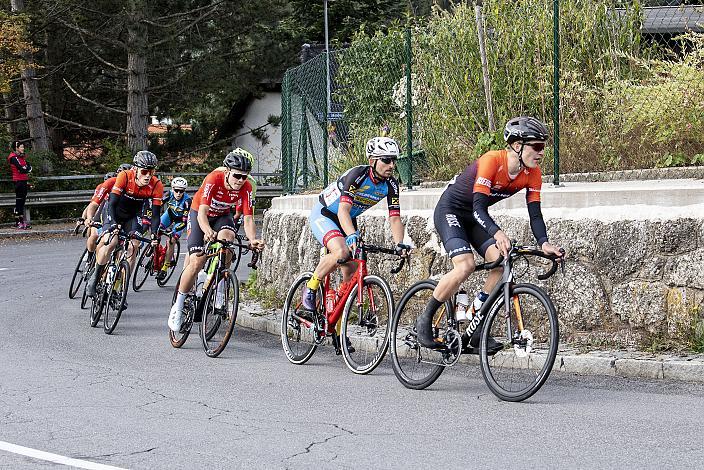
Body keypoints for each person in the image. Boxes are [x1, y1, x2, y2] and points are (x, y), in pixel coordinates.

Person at [415, 116, 565, 353]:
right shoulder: (492, 161)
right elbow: (478, 207)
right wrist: (498, 232)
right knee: (465, 266)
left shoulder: (533, 174)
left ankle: (475, 324)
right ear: (518, 145)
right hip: (452, 211)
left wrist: (544, 243)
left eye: (543, 147)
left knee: (500, 261)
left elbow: (535, 214)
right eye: (537, 146)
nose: (541, 152)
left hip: (475, 217)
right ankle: (425, 319)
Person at [302, 136, 411, 349]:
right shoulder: (358, 175)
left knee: (350, 271)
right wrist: (351, 235)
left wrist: (400, 243)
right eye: (386, 160)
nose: (392, 165)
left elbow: (395, 218)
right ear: (373, 161)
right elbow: (342, 210)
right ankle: (311, 287)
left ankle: (336, 327)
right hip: (326, 214)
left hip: (347, 219)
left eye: (393, 160)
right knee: (342, 251)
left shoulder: (391, 184)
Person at [168, 148, 265, 332]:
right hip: (200, 215)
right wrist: (207, 230)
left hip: (222, 215)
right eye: (237, 176)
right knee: (196, 261)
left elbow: (248, 218)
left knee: (228, 241)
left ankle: (220, 288)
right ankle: (178, 306)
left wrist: (253, 239)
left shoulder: (246, 187)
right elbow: (202, 213)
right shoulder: (214, 178)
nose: (240, 180)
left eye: (244, 177)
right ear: (227, 171)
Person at [86, 151, 163, 298]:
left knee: (133, 246)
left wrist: (154, 234)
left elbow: (155, 215)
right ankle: (94, 279)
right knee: (111, 242)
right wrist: (113, 224)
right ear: (135, 169)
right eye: (145, 171)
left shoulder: (156, 185)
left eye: (151, 171)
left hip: (133, 216)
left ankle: (119, 287)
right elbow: (112, 204)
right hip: (114, 211)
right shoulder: (125, 176)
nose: (148, 175)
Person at [78, 163, 132, 260]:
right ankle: (91, 257)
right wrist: (86, 218)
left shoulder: (132, 186)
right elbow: (93, 204)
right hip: (104, 210)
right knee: (95, 235)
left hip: (120, 213)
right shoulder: (108, 184)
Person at [156, 176, 192, 281]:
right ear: (173, 189)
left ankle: (165, 267)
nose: (178, 193)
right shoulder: (169, 194)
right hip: (169, 215)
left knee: (171, 240)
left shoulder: (187, 201)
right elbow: (157, 205)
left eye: (181, 191)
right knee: (156, 229)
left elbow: (185, 221)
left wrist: (173, 231)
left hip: (180, 221)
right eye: (176, 190)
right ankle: (154, 249)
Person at [7, 141, 32, 229]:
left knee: (22, 202)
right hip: (18, 181)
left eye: (23, 147)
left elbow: (29, 166)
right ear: (16, 148)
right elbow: (22, 169)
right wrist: (26, 169)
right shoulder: (13, 157)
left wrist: (26, 168)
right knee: (19, 202)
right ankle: (18, 222)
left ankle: (22, 221)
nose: (23, 148)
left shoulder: (21, 157)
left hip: (24, 180)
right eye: (21, 147)